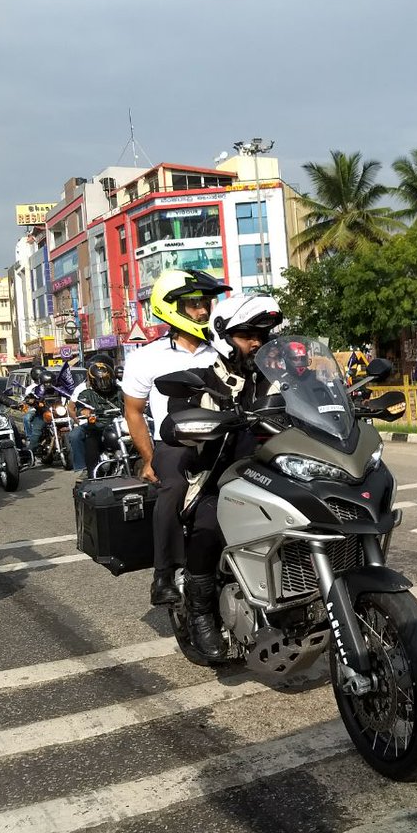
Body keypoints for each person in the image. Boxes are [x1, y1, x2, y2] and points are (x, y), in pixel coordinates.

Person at [171, 294, 284, 658]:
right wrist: (203, 425)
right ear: (223, 335)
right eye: (247, 334)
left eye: (262, 335)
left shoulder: (277, 379)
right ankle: (201, 614)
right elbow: (177, 422)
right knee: (209, 523)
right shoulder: (205, 381)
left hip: (277, 476)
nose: (257, 343)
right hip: (220, 479)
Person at [122, 269, 231, 606]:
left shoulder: (222, 352)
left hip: (223, 441)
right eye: (194, 303)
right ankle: (163, 574)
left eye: (207, 303)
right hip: (175, 444)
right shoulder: (146, 357)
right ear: (171, 307)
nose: (203, 310)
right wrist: (150, 456)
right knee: (174, 488)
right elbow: (134, 411)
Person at [69, 356, 122, 474]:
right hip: (96, 426)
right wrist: (83, 412)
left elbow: (130, 401)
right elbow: (78, 406)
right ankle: (87, 471)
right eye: (100, 381)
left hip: (118, 424)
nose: (104, 383)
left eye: (106, 380)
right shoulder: (85, 391)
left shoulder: (119, 389)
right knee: (86, 440)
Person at [21, 365, 60, 461]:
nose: (49, 384)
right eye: (46, 383)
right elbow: (30, 398)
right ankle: (29, 453)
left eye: (51, 382)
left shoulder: (58, 389)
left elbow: (68, 395)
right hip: (42, 413)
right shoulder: (36, 390)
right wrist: (31, 401)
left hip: (57, 412)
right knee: (36, 432)